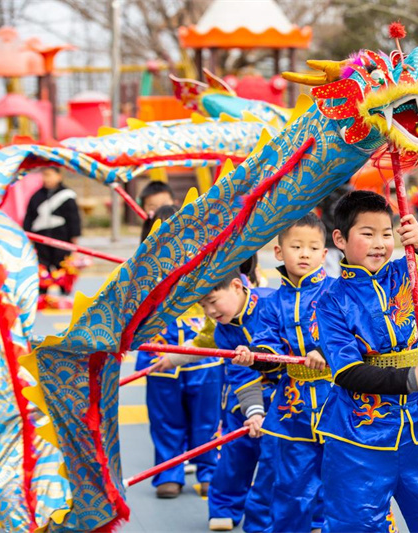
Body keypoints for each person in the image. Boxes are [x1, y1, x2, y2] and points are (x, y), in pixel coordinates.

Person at [313, 190, 418, 532]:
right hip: (358, 439)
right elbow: (348, 372)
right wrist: (410, 379)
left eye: (386, 233)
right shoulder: (330, 302)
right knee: (355, 525)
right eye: (367, 233)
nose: (379, 243)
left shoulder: (407, 273)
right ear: (340, 239)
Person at [155, 268, 277, 532]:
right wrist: (254, 412)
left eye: (212, 301)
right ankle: (225, 507)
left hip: (286, 398)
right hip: (242, 400)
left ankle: (289, 518)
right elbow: (234, 368)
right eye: (203, 305)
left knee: (280, 461)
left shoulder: (274, 304)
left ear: (236, 286)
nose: (209, 311)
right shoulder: (223, 328)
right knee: (235, 453)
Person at [232, 213, 333, 532]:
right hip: (293, 403)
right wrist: (255, 357)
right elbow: (267, 347)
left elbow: (356, 334)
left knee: (344, 480)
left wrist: (326, 351)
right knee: (291, 485)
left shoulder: (338, 292)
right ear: (278, 252)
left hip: (338, 399)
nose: (305, 253)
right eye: (296, 246)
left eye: (313, 247)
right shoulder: (272, 303)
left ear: (324, 254)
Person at [135, 205, 222, 499]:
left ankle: (209, 470)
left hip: (204, 359)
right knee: (165, 420)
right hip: (158, 357)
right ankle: (168, 472)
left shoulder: (207, 270)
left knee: (207, 419)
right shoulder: (139, 278)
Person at [23, 166, 82, 291]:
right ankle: (43, 293)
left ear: (58, 176)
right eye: (44, 175)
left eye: (49, 175)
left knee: (62, 264)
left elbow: (73, 218)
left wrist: (74, 236)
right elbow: (29, 217)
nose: (46, 178)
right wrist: (26, 235)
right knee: (42, 266)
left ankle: (64, 292)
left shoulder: (67, 195)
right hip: (41, 237)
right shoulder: (37, 196)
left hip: (61, 236)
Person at [317, 183, 352, 278]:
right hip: (345, 235)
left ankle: (332, 289)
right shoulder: (351, 193)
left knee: (331, 268)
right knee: (348, 267)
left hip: (329, 235)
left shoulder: (327, 192)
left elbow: (318, 205)